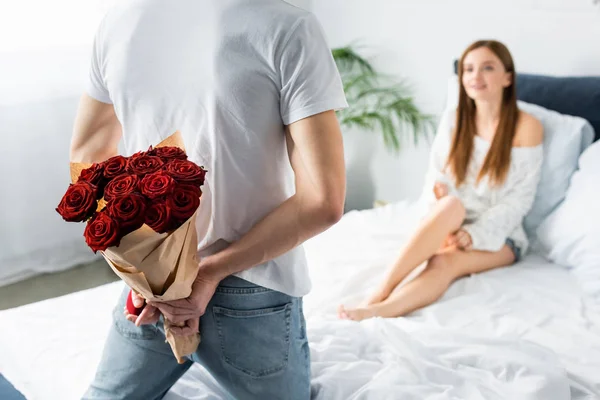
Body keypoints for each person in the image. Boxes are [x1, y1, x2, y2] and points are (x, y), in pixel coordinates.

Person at [70, 1, 348, 399]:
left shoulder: (120, 21)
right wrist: (203, 275)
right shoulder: (287, 25)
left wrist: (147, 268)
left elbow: (88, 158)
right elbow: (323, 201)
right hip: (252, 285)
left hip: (153, 284)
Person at [338, 40, 544, 321]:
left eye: (487, 68)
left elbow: (519, 200)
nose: (475, 76)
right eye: (468, 69)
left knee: (444, 260)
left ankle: (378, 310)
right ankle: (381, 290)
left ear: (508, 77)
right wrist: (442, 216)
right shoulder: (455, 118)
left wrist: (475, 234)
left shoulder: (527, 127)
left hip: (501, 235)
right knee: (449, 205)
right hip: (453, 219)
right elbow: (436, 176)